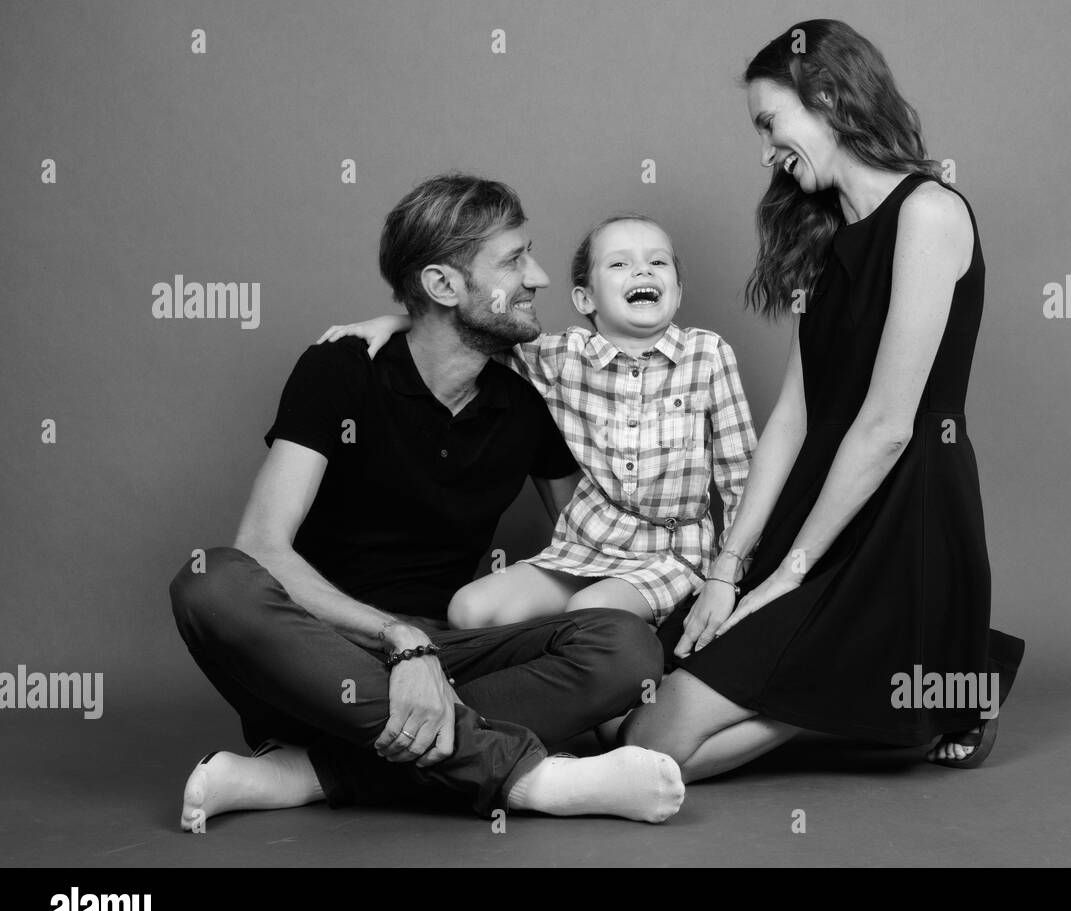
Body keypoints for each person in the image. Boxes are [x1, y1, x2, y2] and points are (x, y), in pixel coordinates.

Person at [168, 173, 686, 829]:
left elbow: (592, 547)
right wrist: (399, 641)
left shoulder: (526, 406)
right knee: (209, 579)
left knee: (626, 646)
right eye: (514, 260)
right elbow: (262, 548)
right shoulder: (340, 372)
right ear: (443, 285)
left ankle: (308, 772)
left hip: (451, 661)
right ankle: (529, 778)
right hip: (317, 659)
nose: (541, 277)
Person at [618, 19, 1027, 780]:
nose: (765, 148)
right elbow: (794, 419)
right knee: (629, 709)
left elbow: (885, 427)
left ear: (830, 98)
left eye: (771, 122)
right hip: (819, 502)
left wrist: (787, 576)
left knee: (652, 744)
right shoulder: (821, 232)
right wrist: (728, 567)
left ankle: (933, 681)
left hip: (901, 513)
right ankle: (900, 685)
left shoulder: (929, 213)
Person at [316, 214, 757, 634]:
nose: (643, 272)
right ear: (585, 299)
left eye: (657, 262)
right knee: (468, 609)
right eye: (620, 263)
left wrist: (729, 573)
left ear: (677, 292)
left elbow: (741, 474)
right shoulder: (560, 357)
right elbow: (470, 330)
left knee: (589, 613)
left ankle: (633, 688)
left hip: (671, 554)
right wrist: (400, 321)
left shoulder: (708, 354)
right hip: (585, 548)